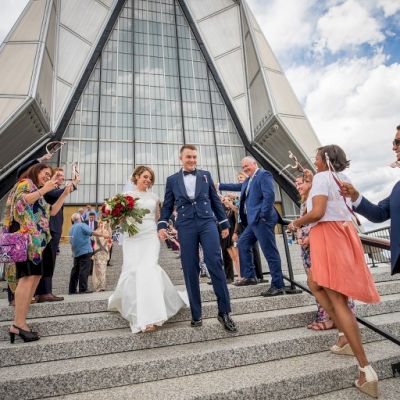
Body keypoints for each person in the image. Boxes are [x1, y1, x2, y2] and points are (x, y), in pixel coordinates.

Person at [288, 145, 380, 398]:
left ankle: (365, 368)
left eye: (316, 157)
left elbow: (317, 212)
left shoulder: (322, 177)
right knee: (314, 282)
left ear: (324, 159)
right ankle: (342, 335)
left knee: (337, 298)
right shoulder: (344, 178)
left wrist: (295, 223)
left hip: (327, 235)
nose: (313, 161)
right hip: (343, 232)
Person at [158, 145, 237, 332]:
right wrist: (162, 223)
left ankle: (224, 312)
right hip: (185, 225)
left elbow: (215, 200)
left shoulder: (206, 175)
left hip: (207, 223)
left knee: (215, 262)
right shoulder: (172, 180)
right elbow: (168, 205)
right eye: (188, 157)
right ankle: (196, 313)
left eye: (194, 157)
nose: (192, 160)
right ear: (181, 158)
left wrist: (224, 223)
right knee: (189, 266)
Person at [108, 166, 188, 333]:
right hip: (133, 237)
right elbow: (116, 220)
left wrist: (164, 229)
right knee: (133, 271)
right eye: (145, 176)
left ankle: (150, 317)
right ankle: (133, 308)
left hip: (150, 236)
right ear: (136, 177)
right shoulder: (124, 197)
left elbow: (158, 218)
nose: (148, 180)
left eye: (150, 178)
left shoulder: (154, 197)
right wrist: (120, 218)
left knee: (149, 269)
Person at [3, 163, 73, 343]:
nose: (47, 176)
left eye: (49, 174)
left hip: (37, 243)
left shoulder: (39, 190)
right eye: (45, 172)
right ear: (36, 170)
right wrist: (45, 189)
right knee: (27, 279)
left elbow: (51, 212)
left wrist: (64, 193)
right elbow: (21, 202)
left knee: (34, 279)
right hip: (25, 238)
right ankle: (18, 324)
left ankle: (20, 323)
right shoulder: (26, 183)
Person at [294, 175, 355, 331]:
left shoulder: (317, 200)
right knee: (317, 284)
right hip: (307, 250)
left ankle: (339, 319)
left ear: (312, 184)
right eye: (296, 183)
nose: (298, 186)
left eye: (301, 183)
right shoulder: (304, 202)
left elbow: (320, 221)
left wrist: (309, 237)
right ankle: (327, 316)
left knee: (328, 283)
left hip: (319, 247)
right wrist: (300, 234)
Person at [219, 157, 285, 296]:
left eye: (247, 165)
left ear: (254, 163)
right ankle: (249, 276)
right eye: (243, 167)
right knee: (242, 243)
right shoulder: (248, 180)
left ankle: (278, 285)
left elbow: (269, 196)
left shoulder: (263, 175)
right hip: (253, 221)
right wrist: (218, 185)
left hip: (262, 220)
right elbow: (235, 186)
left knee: (269, 252)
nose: (245, 168)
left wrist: (263, 215)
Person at [341, 125, 400, 276]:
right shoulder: (397, 188)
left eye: (397, 142)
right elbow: (378, 214)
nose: (393, 147)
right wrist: (354, 196)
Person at [69, 213, 108, 294]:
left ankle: (72, 289)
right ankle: (83, 289)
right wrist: (102, 234)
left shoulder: (71, 228)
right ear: (80, 218)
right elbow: (92, 232)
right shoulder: (82, 225)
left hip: (76, 251)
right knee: (84, 270)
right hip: (85, 250)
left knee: (75, 270)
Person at [92, 219, 112, 292]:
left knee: (97, 270)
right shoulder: (106, 232)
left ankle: (98, 286)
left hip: (98, 252)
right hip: (103, 252)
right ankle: (101, 286)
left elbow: (93, 242)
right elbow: (110, 242)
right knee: (103, 269)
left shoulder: (96, 232)